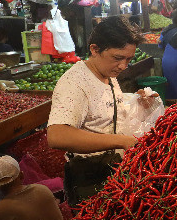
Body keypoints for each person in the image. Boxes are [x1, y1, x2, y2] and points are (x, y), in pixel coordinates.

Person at [47, 16, 156, 205]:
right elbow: (57, 135)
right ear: (94, 49)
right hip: (89, 176)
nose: (123, 66)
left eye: (129, 59)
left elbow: (102, 112)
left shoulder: (106, 74)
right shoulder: (75, 83)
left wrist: (136, 101)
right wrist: (122, 142)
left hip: (111, 169)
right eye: (118, 58)